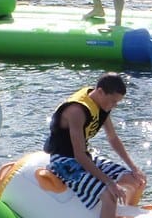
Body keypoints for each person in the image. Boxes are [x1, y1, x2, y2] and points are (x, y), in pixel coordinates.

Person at [44, 72, 146, 218]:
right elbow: (78, 155)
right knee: (109, 195)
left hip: (86, 157)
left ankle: (123, 213)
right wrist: (109, 183)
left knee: (135, 180)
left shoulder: (102, 104)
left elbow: (113, 138)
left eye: (117, 102)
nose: (114, 106)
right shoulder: (76, 111)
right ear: (100, 92)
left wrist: (134, 168)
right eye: (113, 101)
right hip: (64, 161)